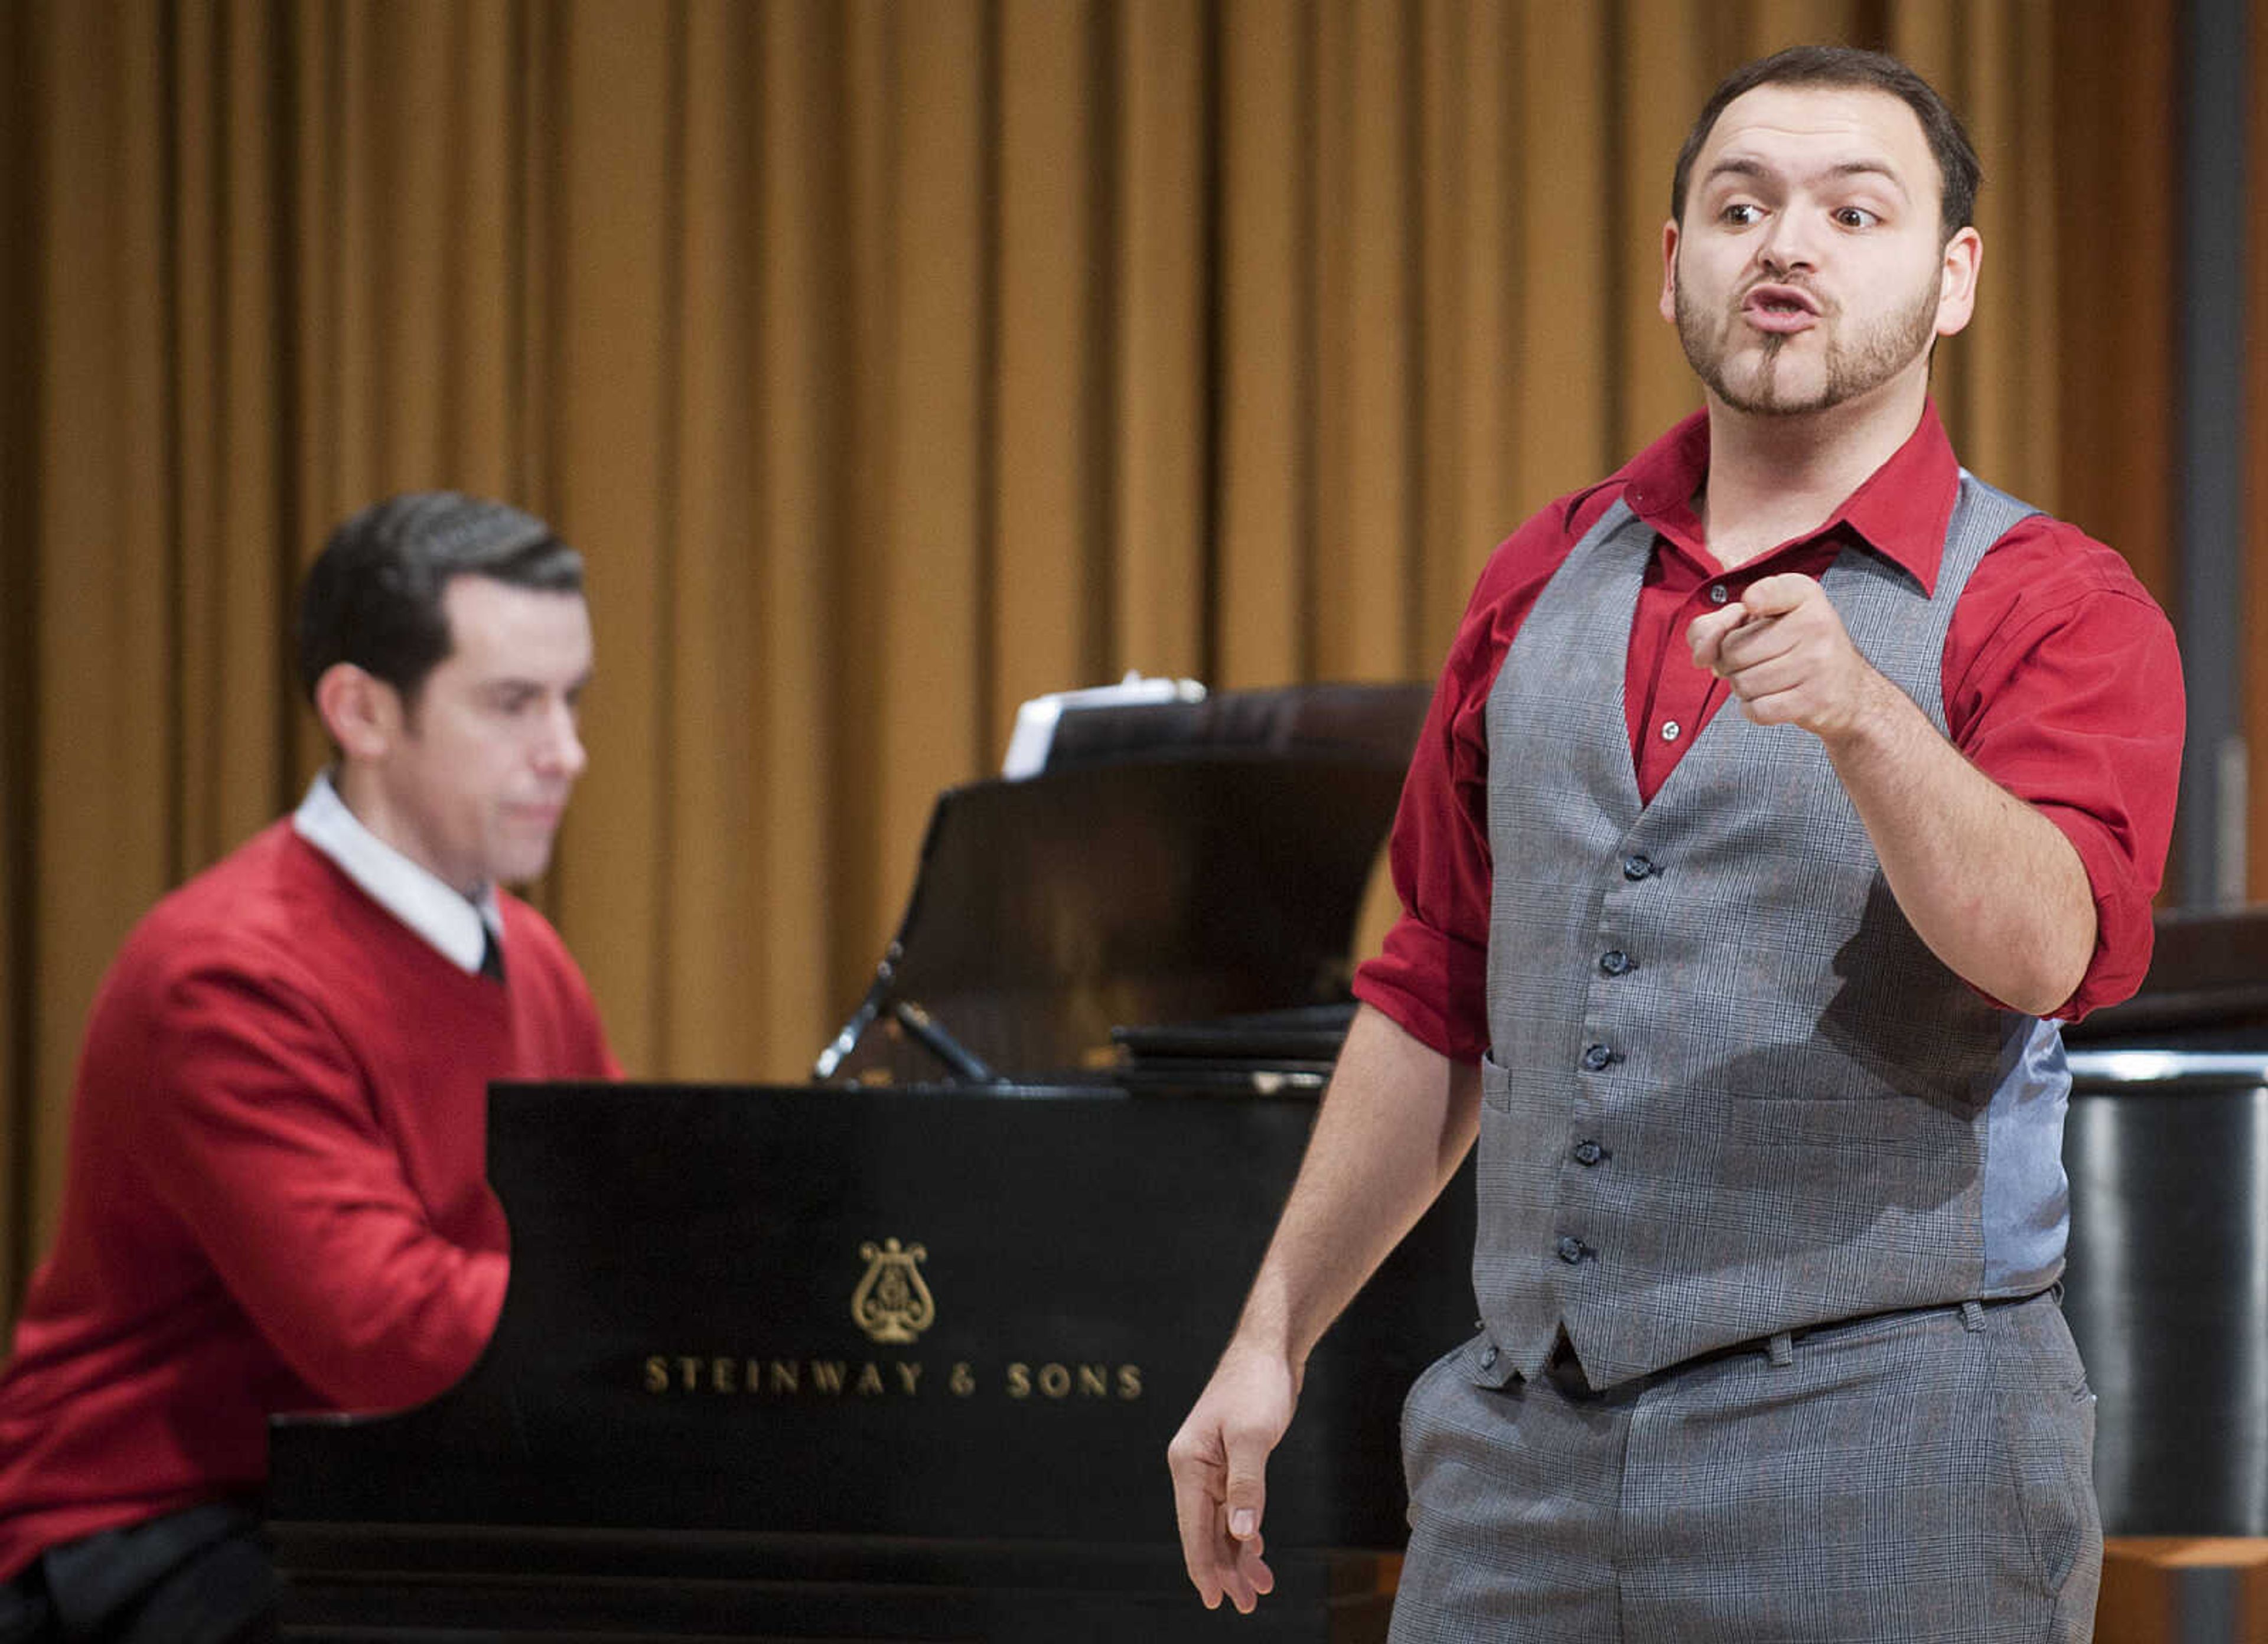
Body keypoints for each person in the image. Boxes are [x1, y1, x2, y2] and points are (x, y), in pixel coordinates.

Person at [1168, 45, 2182, 1643]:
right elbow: (1442, 986)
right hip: (1519, 1477)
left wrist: (1864, 719)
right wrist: (1271, 1334)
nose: (1787, 245)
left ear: (1955, 277)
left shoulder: (2055, 603)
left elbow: (2055, 947)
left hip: (1889, 1462)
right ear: (1674, 266)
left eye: (1857, 211)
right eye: (1740, 206)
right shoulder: (1544, 574)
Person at [0, 494, 620, 1641]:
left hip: (388, 1491)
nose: (566, 752)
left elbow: (616, 1224)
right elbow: (384, 1333)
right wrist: (675, 1319)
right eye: (512, 705)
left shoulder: (529, 956)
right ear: (361, 712)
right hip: (155, 1520)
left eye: (571, 700)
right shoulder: (227, 974)